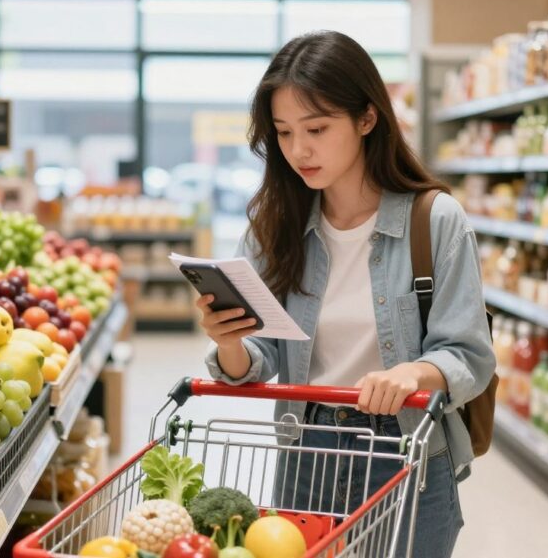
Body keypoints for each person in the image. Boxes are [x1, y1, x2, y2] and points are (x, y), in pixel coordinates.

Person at [198, 31, 496, 557]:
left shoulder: (435, 221)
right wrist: (231, 344)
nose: (298, 150)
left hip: (407, 453)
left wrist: (415, 372)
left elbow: (469, 354)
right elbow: (262, 358)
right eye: (284, 132)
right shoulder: (274, 226)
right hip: (305, 453)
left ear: (366, 118)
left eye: (316, 128)